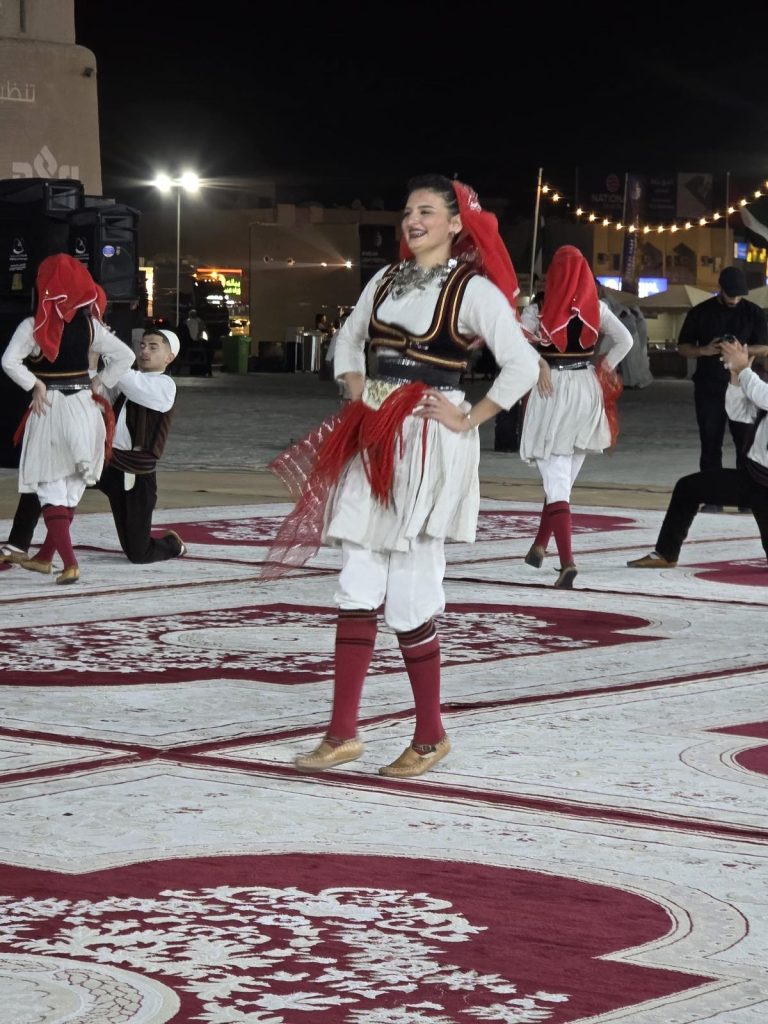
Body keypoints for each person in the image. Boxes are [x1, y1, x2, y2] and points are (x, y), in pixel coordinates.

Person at [264, 173, 539, 778]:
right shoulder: (384, 279)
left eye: (427, 211)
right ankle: (342, 733)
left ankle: (430, 735)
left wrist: (470, 417)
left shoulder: (472, 290)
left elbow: (522, 364)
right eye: (409, 211)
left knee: (412, 588)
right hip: (372, 435)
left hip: (427, 441)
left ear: (455, 223)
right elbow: (348, 341)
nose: (413, 221)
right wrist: (356, 387)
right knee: (357, 580)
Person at [0, 253, 135, 583]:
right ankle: (45, 558)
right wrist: (99, 381)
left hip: (52, 408)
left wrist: (34, 384)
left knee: (49, 483)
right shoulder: (91, 326)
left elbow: (9, 362)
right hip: (85, 408)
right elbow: (126, 355)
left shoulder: (33, 326)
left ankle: (70, 563)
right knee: (72, 484)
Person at [1, 328, 186, 565]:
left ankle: (172, 544)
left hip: (133, 474)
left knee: (139, 553)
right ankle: (18, 544)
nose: (144, 351)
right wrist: (92, 356)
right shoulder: (125, 379)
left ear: (169, 357)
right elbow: (95, 395)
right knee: (46, 474)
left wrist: (107, 348)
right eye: (142, 345)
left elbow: (131, 382)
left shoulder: (165, 386)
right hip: (105, 459)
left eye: (153, 347)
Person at [519, 246, 634, 588]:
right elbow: (625, 340)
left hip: (551, 389)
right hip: (586, 387)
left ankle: (567, 562)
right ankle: (540, 546)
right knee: (561, 482)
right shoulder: (596, 307)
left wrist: (539, 361)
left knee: (556, 482)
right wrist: (606, 365)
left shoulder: (538, 308)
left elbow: (515, 341)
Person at [628, 338, 768, 568]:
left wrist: (743, 368)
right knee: (688, 488)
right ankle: (666, 554)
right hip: (754, 479)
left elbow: (762, 395)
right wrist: (735, 375)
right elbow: (739, 413)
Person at [676, 265, 768, 512]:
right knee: (710, 442)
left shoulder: (753, 312)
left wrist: (739, 351)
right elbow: (682, 347)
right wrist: (704, 350)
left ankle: (748, 499)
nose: (735, 299)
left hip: (744, 386)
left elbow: (765, 347)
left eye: (739, 295)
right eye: (731, 294)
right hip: (709, 385)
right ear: (720, 289)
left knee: (746, 444)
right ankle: (713, 499)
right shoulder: (700, 312)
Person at [185, 308, 212, 377]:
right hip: (194, 341)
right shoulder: (195, 321)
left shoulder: (190, 321)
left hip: (193, 341)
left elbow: (201, 329)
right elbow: (201, 329)